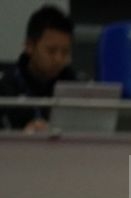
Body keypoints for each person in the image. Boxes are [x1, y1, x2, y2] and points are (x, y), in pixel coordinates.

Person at [0, 5, 79, 133]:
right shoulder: (6, 88)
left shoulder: (75, 85)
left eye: (65, 52)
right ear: (29, 46)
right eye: (51, 51)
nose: (59, 59)